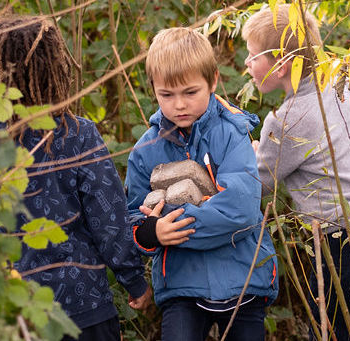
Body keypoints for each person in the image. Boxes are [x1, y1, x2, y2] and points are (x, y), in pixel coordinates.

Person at [0, 14, 152, 341]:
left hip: (18, 311)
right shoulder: (79, 134)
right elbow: (109, 220)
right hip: (85, 307)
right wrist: (134, 281)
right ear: (54, 68)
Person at [241, 4, 350, 340]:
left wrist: (255, 154)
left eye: (253, 55)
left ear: (281, 65)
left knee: (337, 331)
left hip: (342, 243)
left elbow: (257, 184)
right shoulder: (341, 86)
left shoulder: (285, 122)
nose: (247, 63)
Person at [126, 27, 278, 340]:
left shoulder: (232, 133)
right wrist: (152, 232)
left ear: (212, 82)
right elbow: (132, 220)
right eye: (167, 95)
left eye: (190, 92)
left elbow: (240, 211)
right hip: (181, 287)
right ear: (153, 90)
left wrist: (171, 226)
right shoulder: (144, 151)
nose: (179, 105)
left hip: (243, 279)